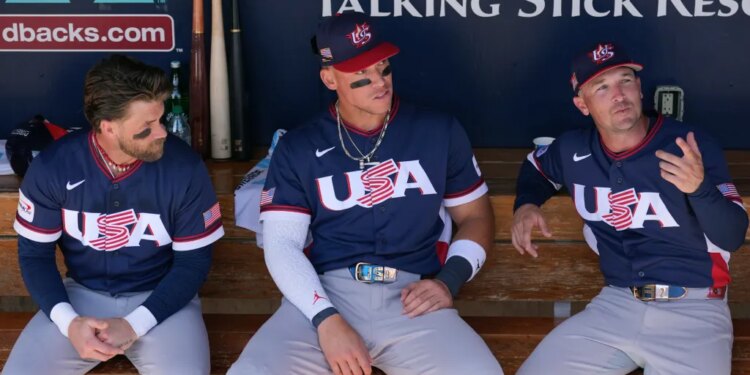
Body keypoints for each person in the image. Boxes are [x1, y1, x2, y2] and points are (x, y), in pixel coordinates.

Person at [228, 12, 502, 375]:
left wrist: (448, 281)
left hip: (413, 299)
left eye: (384, 68)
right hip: (323, 297)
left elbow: (476, 216)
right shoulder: (300, 147)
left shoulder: (438, 131)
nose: (380, 83)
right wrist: (325, 319)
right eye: (361, 75)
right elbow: (282, 244)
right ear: (329, 78)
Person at [512, 42, 749, 374]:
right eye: (602, 87)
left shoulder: (688, 145)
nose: (618, 94)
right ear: (583, 104)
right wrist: (525, 205)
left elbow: (733, 235)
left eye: (625, 80)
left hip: (695, 311)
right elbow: (536, 169)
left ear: (639, 88)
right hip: (616, 305)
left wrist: (699, 189)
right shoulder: (573, 149)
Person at [2, 55, 224, 375]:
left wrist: (134, 325)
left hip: (164, 302)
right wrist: (69, 323)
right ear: (108, 127)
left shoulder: (184, 166)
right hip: (81, 297)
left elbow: (193, 263)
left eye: (159, 119)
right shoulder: (54, 166)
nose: (162, 132)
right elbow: (35, 255)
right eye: (146, 127)